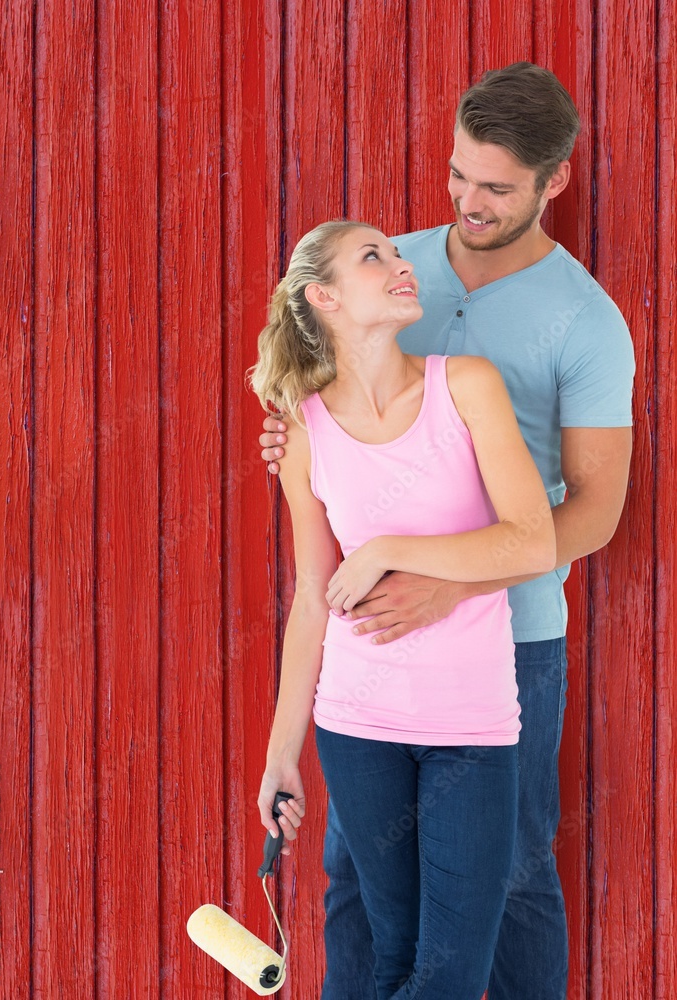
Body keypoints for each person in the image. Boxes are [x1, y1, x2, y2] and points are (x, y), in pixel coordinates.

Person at [259, 64, 635, 1000]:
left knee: (506, 878)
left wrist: (454, 580)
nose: (467, 202)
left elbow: (593, 508)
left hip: (510, 642)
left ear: (554, 183)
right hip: (374, 657)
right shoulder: (393, 270)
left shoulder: (583, 322)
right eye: (457, 175)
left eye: (496, 187)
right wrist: (293, 434)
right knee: (357, 874)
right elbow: (324, 402)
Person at [252, 218, 556, 999]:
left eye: (394, 251)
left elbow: (529, 543)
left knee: (448, 975)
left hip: (470, 729)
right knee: (391, 958)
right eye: (373, 256)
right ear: (324, 297)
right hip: (354, 727)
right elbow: (312, 602)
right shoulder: (303, 428)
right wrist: (282, 752)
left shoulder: (465, 386)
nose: (400, 265)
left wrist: (389, 548)